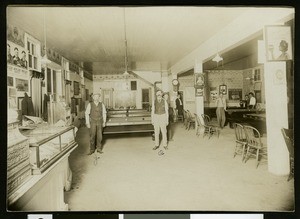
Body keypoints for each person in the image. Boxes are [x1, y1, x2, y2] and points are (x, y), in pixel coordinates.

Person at [151, 90, 169, 155]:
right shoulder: (154, 102)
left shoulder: (164, 101)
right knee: (156, 132)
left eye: (160, 94)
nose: (159, 95)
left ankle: (165, 145)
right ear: (156, 95)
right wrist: (152, 119)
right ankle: (156, 145)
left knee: (164, 131)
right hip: (156, 117)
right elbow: (152, 111)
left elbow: (167, 112)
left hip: (163, 116)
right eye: (157, 94)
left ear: (161, 95)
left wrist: (167, 120)